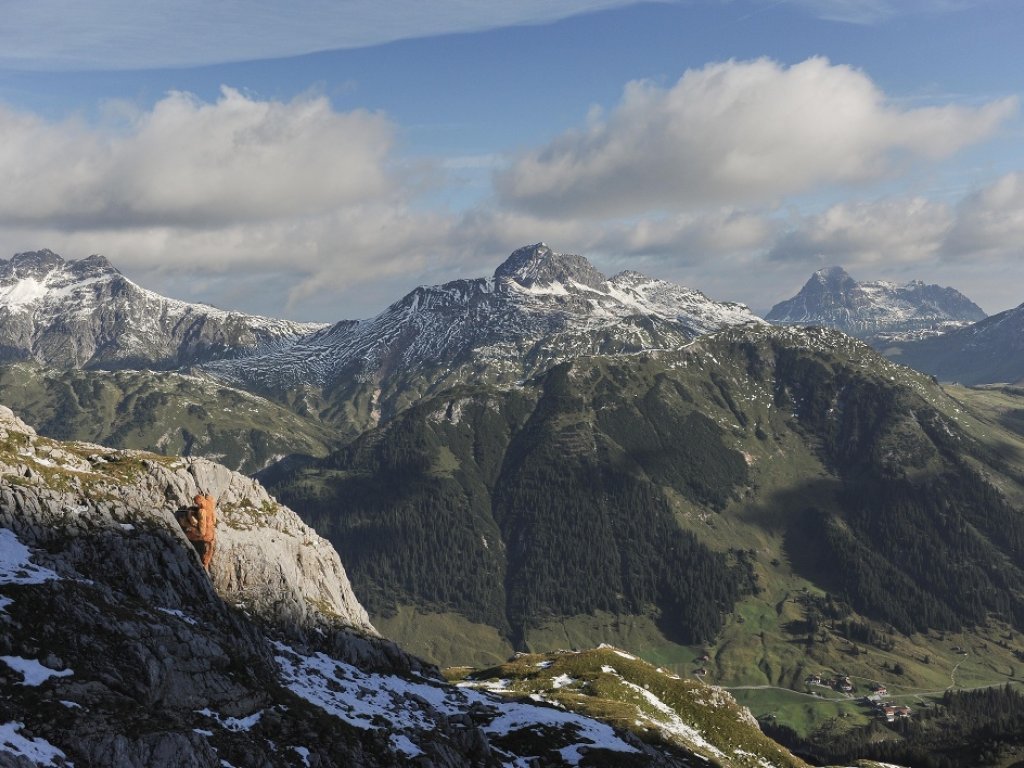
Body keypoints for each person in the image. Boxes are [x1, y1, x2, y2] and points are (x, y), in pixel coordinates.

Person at [177, 492, 217, 570]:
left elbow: (202, 532)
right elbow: (214, 521)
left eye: (197, 504)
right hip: (212, 531)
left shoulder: (202, 512)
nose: (197, 506)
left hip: (206, 535)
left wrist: (190, 526)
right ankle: (206, 562)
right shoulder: (210, 502)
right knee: (210, 547)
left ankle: (204, 563)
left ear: (199, 504)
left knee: (184, 536)